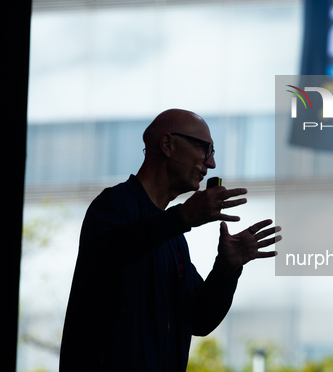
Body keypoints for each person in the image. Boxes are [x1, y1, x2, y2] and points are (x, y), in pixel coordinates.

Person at [59, 109, 281, 372]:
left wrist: (226, 269)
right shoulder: (115, 205)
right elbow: (105, 255)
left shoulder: (173, 237)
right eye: (205, 149)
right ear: (168, 144)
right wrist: (181, 218)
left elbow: (198, 319)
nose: (211, 164)